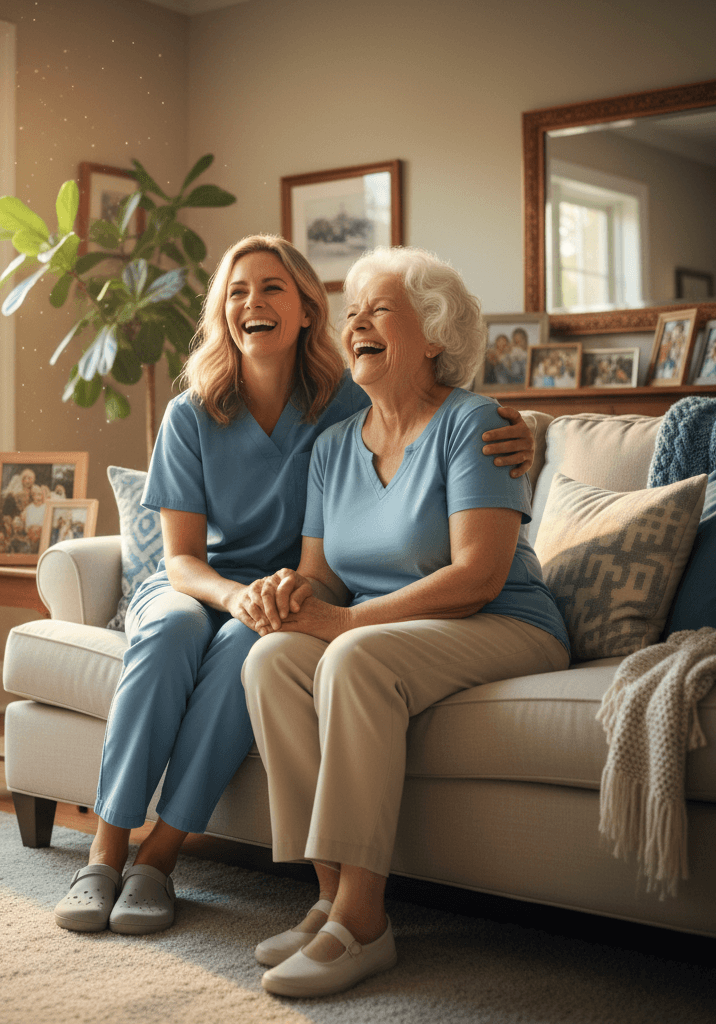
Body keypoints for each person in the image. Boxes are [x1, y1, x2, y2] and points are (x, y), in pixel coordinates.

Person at [52, 235, 538, 938]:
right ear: (222, 313)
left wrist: (528, 434)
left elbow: (428, 416)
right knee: (175, 630)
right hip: (199, 583)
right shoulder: (191, 414)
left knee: (250, 652)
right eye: (238, 291)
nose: (253, 302)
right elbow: (181, 559)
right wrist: (232, 595)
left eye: (274, 288)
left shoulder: (346, 401)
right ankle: (104, 852)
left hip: (291, 593)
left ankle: (160, 857)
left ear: (308, 309)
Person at [240, 246, 571, 998]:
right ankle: (327, 897)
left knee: (352, 658)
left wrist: (347, 619)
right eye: (352, 312)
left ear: (434, 334)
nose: (356, 321)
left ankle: (364, 925)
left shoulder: (475, 423)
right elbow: (320, 570)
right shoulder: (331, 447)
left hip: (506, 624)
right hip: (392, 632)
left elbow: (478, 575)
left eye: (378, 309)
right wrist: (288, 595)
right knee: (270, 658)